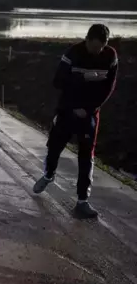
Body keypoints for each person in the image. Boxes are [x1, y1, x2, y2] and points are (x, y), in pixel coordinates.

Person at [33, 24, 118, 219]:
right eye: (93, 47)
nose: (96, 52)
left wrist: (89, 109)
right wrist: (79, 88)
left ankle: (82, 201)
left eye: (100, 48)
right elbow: (58, 81)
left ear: (105, 45)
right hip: (67, 109)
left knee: (86, 155)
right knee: (54, 146)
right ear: (86, 40)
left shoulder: (110, 56)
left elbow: (108, 87)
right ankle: (49, 174)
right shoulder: (73, 53)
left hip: (89, 112)